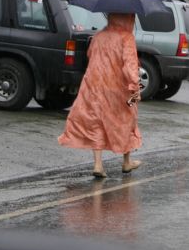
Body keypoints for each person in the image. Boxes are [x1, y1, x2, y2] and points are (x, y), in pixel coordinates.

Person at [58, 13, 143, 178]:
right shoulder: (127, 38)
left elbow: (90, 55)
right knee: (127, 120)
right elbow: (130, 66)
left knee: (96, 122)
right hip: (119, 89)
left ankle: (98, 164)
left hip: (94, 86)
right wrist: (135, 88)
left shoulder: (99, 36)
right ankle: (126, 162)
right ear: (128, 19)